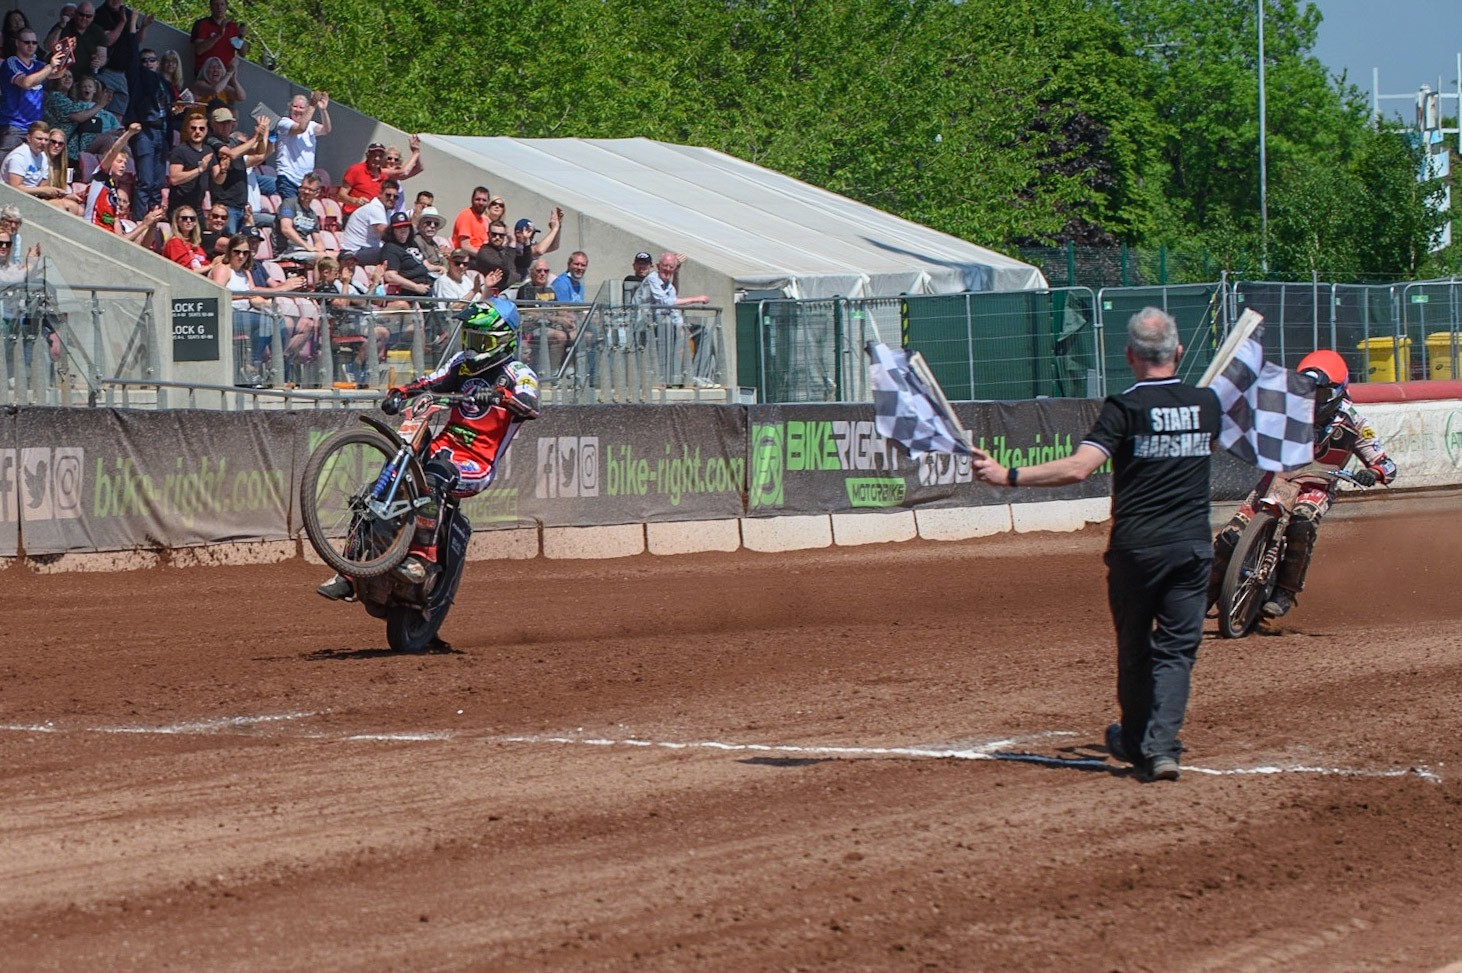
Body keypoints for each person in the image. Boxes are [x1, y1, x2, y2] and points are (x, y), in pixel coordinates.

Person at [971, 307, 1220, 783]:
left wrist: (1009, 476)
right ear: (1179, 351)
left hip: (1136, 547)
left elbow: (1079, 467)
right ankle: (1161, 747)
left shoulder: (1124, 407)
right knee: (1176, 651)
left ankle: (1134, 738)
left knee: (1134, 647)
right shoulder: (1206, 403)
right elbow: (1204, 449)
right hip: (1190, 545)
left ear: (1129, 355)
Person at [317, 297, 539, 600]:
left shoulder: (519, 373)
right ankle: (349, 573)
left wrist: (503, 397)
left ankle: (423, 558)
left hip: (476, 463)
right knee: (376, 491)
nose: (471, 347)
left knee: (435, 476)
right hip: (443, 446)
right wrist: (400, 392)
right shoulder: (461, 364)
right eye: (469, 338)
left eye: (480, 340)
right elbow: (430, 381)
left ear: (501, 342)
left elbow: (530, 405)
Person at [1208, 349, 1397, 620]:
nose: (1311, 400)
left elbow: (1387, 465)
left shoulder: (1354, 422)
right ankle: (1206, 594)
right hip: (1277, 480)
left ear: (1336, 393)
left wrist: (1374, 473)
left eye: (1319, 395)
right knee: (1230, 536)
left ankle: (1285, 591)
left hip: (1317, 487)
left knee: (1302, 521)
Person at [634, 252, 710, 386]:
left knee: (703, 332)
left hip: (663, 324)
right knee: (670, 330)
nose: (667, 269)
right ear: (657, 266)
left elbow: (673, 311)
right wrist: (695, 299)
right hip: (643, 325)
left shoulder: (669, 286)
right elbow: (666, 302)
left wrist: (682, 327)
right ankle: (669, 377)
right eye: (665, 266)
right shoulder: (652, 278)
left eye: (671, 267)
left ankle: (695, 375)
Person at [1, 26, 68, 153]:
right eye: (27, 42)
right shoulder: (10, 63)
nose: (31, 45)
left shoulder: (38, 65)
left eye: (34, 42)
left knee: (32, 170)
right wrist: (50, 67)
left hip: (35, 129)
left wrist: (66, 54)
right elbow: (26, 82)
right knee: (5, 167)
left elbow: (57, 74)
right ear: (17, 43)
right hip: (14, 127)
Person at [205, 106, 266, 232]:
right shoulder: (211, 140)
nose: (226, 126)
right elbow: (231, 154)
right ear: (213, 123)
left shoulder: (235, 141)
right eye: (222, 123)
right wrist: (255, 137)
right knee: (229, 242)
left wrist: (264, 135)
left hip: (241, 204)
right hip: (224, 205)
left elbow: (260, 153)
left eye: (228, 123)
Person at [273, 90, 329, 199]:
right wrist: (312, 105)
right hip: (288, 178)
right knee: (290, 211)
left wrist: (323, 110)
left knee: (299, 215)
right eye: (295, 107)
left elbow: (326, 130)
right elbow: (300, 128)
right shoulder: (284, 123)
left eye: (301, 108)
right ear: (290, 108)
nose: (298, 110)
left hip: (305, 182)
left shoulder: (311, 126)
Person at [166, 110, 215, 217]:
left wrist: (224, 169)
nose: (197, 131)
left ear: (206, 130)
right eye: (193, 128)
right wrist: (199, 169)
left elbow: (218, 179)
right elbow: (174, 179)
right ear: (188, 129)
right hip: (179, 208)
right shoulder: (180, 150)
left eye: (201, 128)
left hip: (197, 208)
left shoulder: (208, 151)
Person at [2, 120, 66, 200]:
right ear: (29, 138)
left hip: (32, 199)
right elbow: (15, 188)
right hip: (11, 199)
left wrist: (56, 192)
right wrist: (43, 190)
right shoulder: (19, 156)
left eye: (46, 140)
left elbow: (43, 185)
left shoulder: (43, 157)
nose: (43, 143)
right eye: (39, 139)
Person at [273, 171, 326, 263]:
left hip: (303, 251)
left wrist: (320, 248)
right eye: (304, 188)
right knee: (321, 258)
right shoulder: (288, 203)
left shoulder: (312, 214)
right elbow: (286, 229)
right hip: (286, 251)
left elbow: (317, 240)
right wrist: (306, 246)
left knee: (335, 257)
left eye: (310, 190)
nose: (306, 192)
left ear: (317, 193)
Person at [340, 178, 398, 253]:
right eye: (388, 195)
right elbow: (386, 233)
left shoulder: (388, 210)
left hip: (368, 249)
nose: (391, 198)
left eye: (395, 197)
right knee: (392, 252)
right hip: (354, 251)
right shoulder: (375, 207)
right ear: (380, 194)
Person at [190, 0, 245, 74]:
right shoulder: (201, 24)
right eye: (216, 4)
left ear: (226, 7)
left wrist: (241, 37)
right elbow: (199, 50)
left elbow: (242, 53)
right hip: (205, 72)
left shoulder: (232, 26)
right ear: (211, 7)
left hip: (224, 73)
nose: (219, 7)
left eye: (222, 4)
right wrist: (219, 35)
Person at [510, 208, 563, 280]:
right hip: (518, 284)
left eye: (533, 233)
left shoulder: (532, 244)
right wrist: (554, 229)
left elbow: (554, 246)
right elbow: (539, 250)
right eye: (529, 232)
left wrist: (558, 227)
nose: (532, 236)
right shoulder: (516, 247)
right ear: (518, 233)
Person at [161, 206, 210, 271]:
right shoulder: (174, 242)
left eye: (192, 219)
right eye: (184, 218)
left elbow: (204, 263)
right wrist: (210, 266)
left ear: (195, 222)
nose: (188, 221)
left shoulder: (195, 245)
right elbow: (185, 271)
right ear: (177, 222)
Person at [451, 185, 492, 260]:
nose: (481, 203)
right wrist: (485, 257)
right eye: (478, 199)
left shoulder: (483, 220)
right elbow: (465, 246)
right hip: (466, 258)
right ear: (472, 200)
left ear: (488, 202)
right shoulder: (466, 215)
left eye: (484, 200)